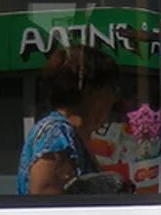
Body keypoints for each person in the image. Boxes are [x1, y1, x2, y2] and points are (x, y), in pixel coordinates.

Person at [18, 46, 118, 195]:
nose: (114, 99)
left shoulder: (75, 135)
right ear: (91, 92)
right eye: (111, 89)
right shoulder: (56, 134)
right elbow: (47, 201)